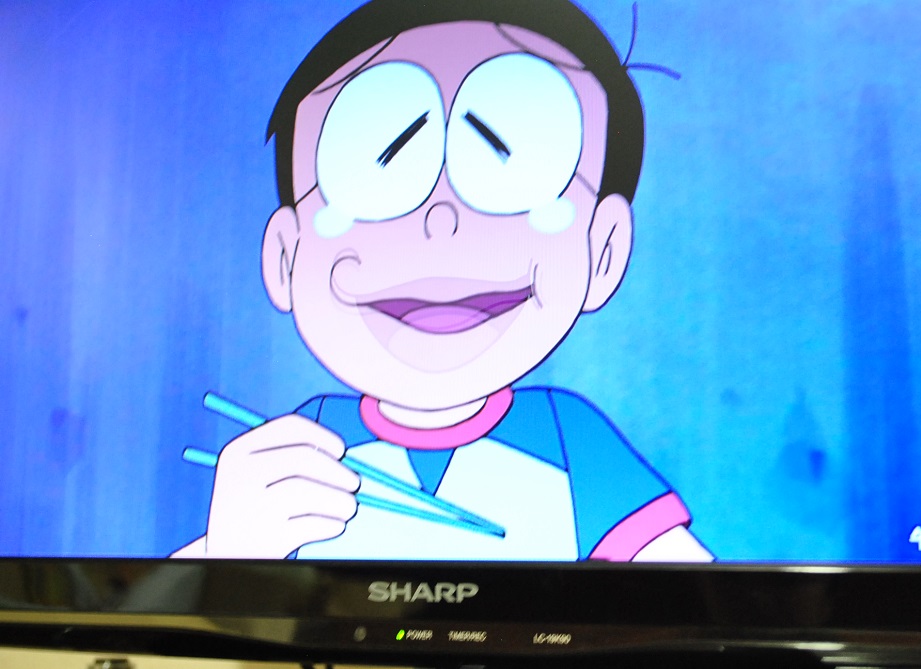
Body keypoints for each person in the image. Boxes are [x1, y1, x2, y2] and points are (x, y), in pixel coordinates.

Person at [172, 0, 712, 562]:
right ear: (286, 257)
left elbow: (694, 590)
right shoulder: (307, 441)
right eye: (377, 164)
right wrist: (231, 549)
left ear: (604, 249)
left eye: (511, 163)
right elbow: (154, 598)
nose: (441, 217)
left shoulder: (567, 437)